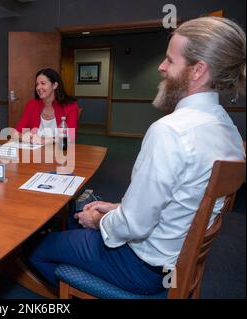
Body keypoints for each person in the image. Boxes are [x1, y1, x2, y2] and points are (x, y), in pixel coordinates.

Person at [28, 17, 246, 295]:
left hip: (140, 266)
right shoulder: (230, 131)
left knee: (36, 247)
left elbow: (134, 225)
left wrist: (99, 220)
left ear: (197, 70)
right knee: (77, 215)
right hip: (174, 256)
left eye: (170, 60)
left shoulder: (171, 131)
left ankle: (72, 287)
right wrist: (116, 208)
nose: (161, 66)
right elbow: (178, 201)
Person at [16, 68, 78, 144]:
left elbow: (70, 138)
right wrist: (23, 137)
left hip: (59, 152)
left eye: (43, 83)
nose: (38, 87)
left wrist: (45, 140)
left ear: (54, 85)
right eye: (37, 84)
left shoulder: (70, 107)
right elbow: (17, 132)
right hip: (35, 152)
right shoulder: (31, 105)